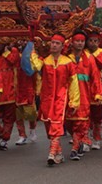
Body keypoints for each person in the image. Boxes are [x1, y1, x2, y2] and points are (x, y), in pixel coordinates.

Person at [27, 34, 80, 166]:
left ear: (62, 46)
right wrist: (33, 50)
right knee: (49, 125)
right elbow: (35, 66)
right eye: (52, 43)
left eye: (57, 43)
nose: (54, 45)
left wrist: (74, 101)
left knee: (56, 125)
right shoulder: (45, 61)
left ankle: (51, 153)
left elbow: (74, 83)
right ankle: (59, 154)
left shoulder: (68, 62)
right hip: (46, 98)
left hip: (61, 98)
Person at [65, 30, 102, 160]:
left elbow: (95, 77)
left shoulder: (89, 58)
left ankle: (78, 145)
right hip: (68, 95)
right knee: (68, 122)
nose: (80, 43)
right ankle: (80, 140)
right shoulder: (66, 57)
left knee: (82, 122)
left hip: (85, 94)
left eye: (82, 41)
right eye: (77, 41)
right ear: (72, 42)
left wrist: (98, 94)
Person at [0, 43, 20, 151]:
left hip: (10, 90)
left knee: (9, 118)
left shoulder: (13, 51)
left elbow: (13, 60)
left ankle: (5, 140)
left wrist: (5, 50)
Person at [85, 28, 102, 149]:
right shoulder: (83, 52)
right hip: (84, 87)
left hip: (98, 86)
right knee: (85, 116)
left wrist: (91, 56)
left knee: (97, 117)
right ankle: (86, 139)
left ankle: (97, 139)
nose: (93, 43)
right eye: (90, 40)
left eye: (95, 41)